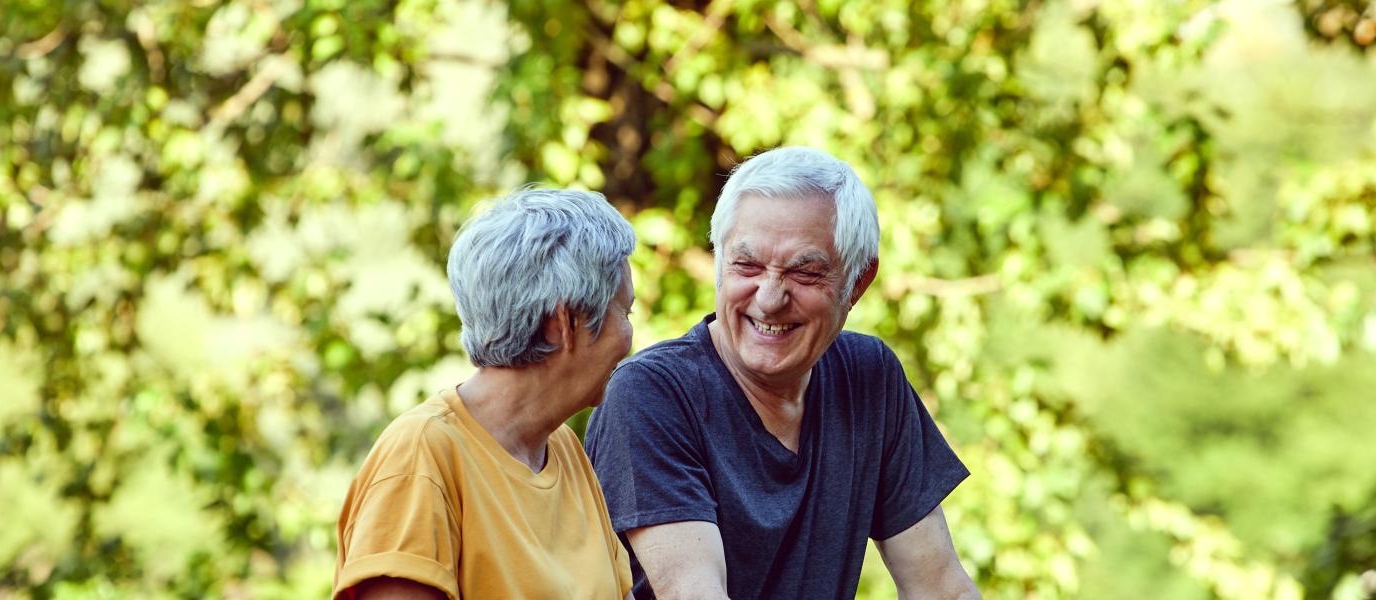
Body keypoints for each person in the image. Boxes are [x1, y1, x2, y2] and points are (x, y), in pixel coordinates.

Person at [583, 147, 980, 599]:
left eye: (804, 272)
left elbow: (942, 587)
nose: (770, 298)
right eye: (747, 266)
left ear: (858, 282)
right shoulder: (653, 395)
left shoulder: (870, 377)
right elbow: (694, 593)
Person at [336, 188, 638, 600]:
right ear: (563, 322)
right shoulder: (420, 456)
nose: (629, 337)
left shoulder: (564, 449)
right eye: (626, 311)